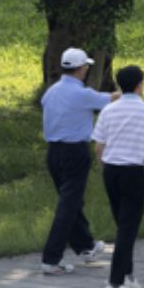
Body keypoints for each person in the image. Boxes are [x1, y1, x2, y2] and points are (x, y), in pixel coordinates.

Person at [91, 64, 144, 288]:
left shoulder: (109, 110)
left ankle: (128, 278)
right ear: (140, 84)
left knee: (122, 225)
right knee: (127, 230)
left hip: (111, 171)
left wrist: (102, 165)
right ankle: (113, 285)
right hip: (133, 173)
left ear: (119, 85)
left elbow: (98, 146)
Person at [39, 47, 112, 275]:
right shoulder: (83, 94)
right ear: (81, 69)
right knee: (68, 205)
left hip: (53, 153)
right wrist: (129, 92)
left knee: (71, 200)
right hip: (75, 152)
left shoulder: (51, 92)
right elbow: (110, 101)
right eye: (86, 67)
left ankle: (85, 246)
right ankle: (51, 259)